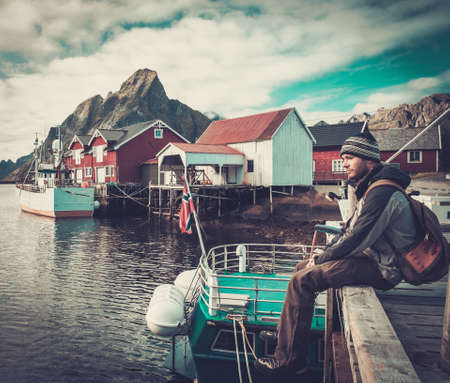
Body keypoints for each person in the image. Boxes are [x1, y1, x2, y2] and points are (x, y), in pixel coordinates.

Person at [254, 131, 417, 377]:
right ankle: (286, 333)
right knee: (301, 269)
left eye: (350, 157)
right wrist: (323, 252)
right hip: (372, 256)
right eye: (343, 158)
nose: (344, 163)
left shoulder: (382, 192)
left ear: (369, 160)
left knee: (302, 281)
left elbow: (357, 238)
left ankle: (289, 361)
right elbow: (349, 229)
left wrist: (323, 258)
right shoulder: (372, 187)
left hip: (384, 268)